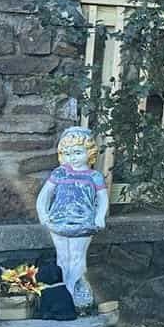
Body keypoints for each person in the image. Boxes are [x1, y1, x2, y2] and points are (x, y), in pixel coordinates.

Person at [34, 127, 108, 310]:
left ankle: (76, 289)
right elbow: (45, 195)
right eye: (67, 154)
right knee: (62, 257)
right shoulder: (59, 173)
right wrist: (43, 213)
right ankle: (64, 292)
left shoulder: (94, 176)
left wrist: (99, 216)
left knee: (77, 256)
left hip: (83, 222)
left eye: (77, 152)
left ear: (89, 152)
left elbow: (103, 199)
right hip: (58, 222)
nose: (71, 158)